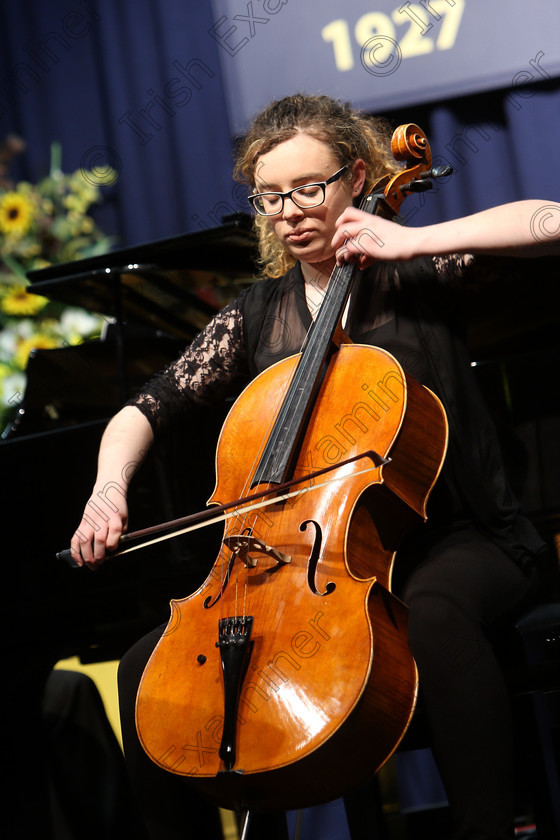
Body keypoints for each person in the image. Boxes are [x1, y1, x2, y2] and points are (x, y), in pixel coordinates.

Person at [70, 93, 560, 840]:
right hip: (305, 559)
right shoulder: (258, 314)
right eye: (271, 197)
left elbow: (550, 223)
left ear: (357, 176)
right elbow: (145, 409)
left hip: (459, 536)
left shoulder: (420, 274)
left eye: (309, 188)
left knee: (431, 616)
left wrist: (417, 241)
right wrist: (107, 492)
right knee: (147, 669)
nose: (291, 211)